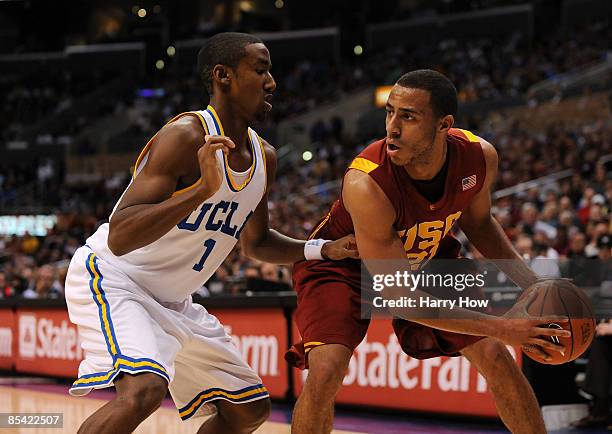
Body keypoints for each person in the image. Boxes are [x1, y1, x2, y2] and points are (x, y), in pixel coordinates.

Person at [64, 32, 357, 434]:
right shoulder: (184, 136)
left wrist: (323, 250)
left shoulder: (265, 156)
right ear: (223, 76)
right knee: (145, 389)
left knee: (248, 409)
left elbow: (257, 243)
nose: (272, 82)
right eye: (260, 70)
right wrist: (202, 190)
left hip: (174, 300)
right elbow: (121, 235)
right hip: (116, 278)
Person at [286, 69, 569, 434]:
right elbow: (402, 298)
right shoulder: (366, 183)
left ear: (443, 125)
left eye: (408, 116)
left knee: (495, 356)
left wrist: (531, 283)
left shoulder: (479, 157)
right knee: (326, 370)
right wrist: (504, 327)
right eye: (390, 112)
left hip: (424, 253)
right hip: (345, 265)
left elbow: (479, 224)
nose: (392, 128)